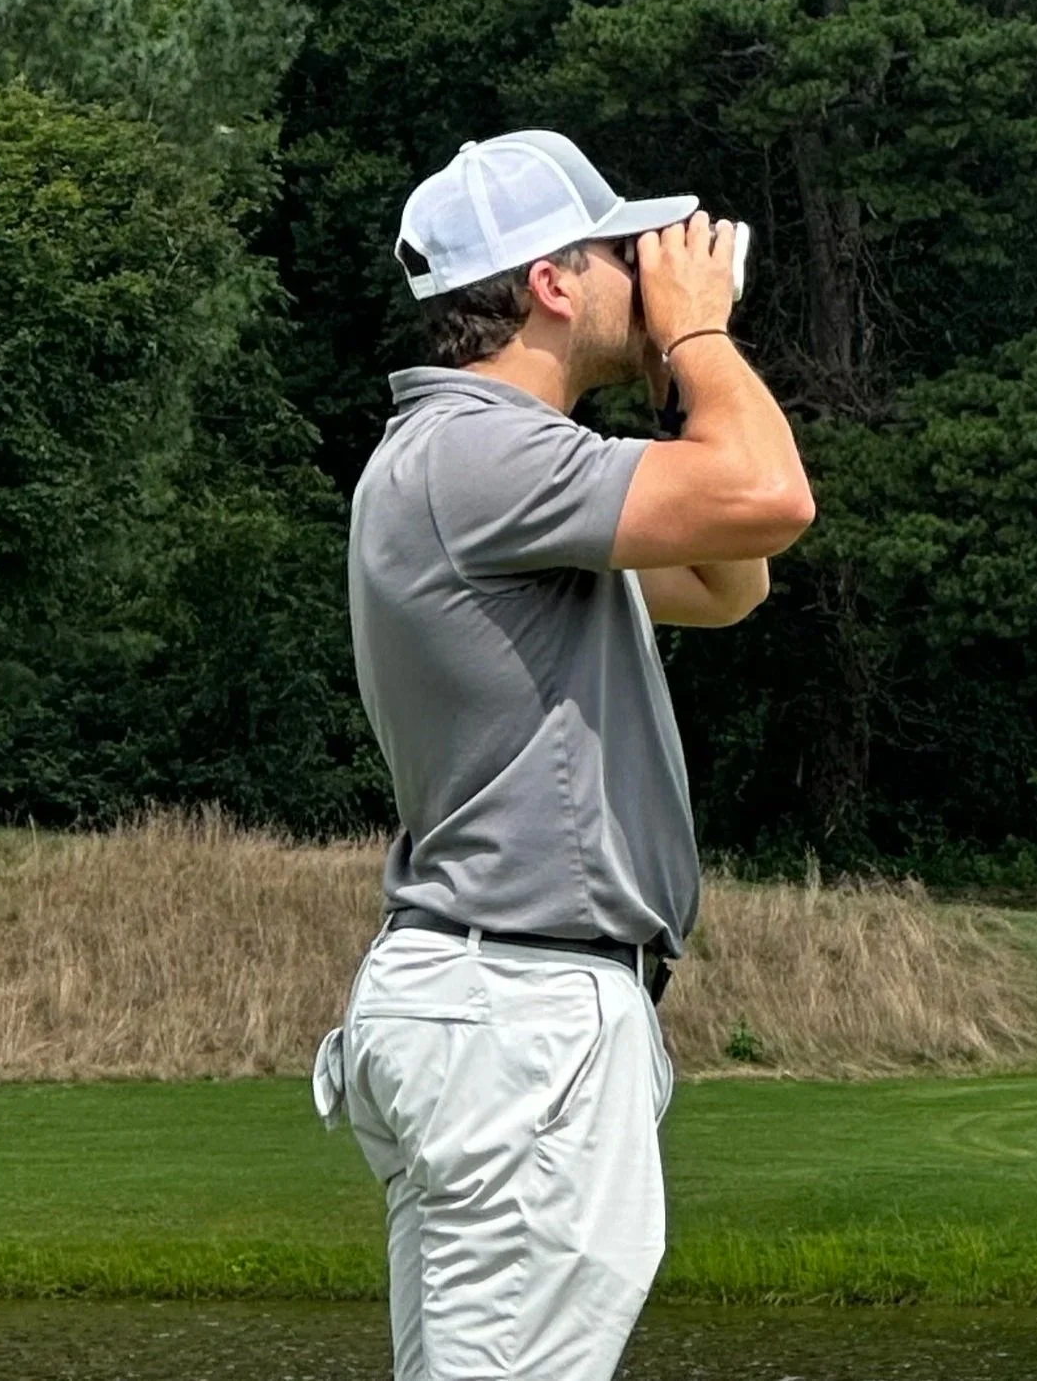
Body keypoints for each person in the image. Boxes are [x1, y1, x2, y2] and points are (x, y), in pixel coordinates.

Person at [316, 130, 815, 1381]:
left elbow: (729, 577)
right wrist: (697, 333)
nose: (640, 273)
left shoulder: (480, 468)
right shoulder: (482, 455)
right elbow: (773, 497)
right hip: (520, 1011)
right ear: (549, 282)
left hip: (502, 1009)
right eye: (614, 254)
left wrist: (673, 383)